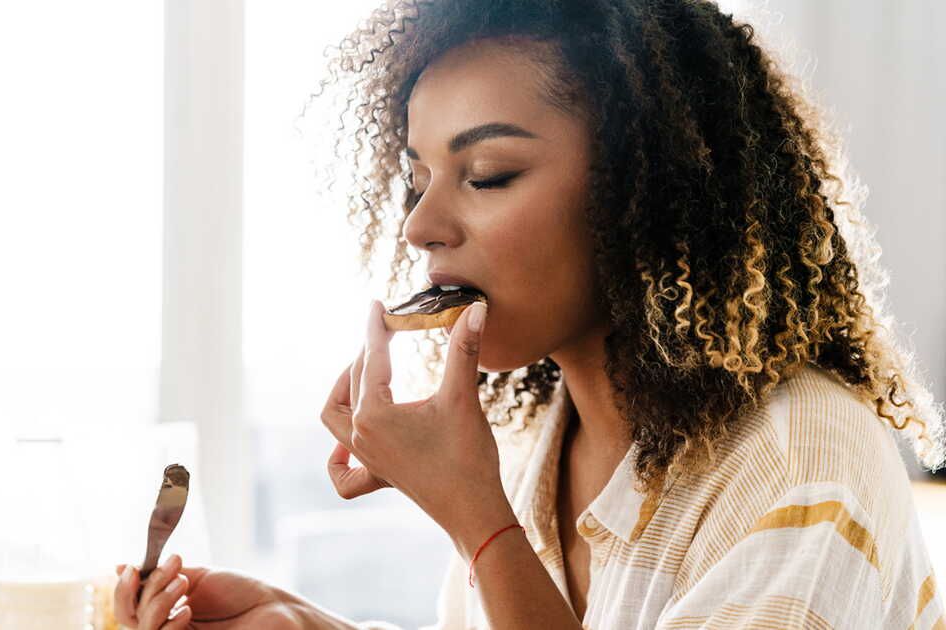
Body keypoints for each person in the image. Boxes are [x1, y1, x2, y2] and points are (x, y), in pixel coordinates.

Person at [113, 0, 946, 627]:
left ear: (643, 192)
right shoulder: (534, 452)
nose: (421, 226)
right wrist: (302, 626)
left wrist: (479, 525)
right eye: (416, 178)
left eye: (487, 174)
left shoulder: (800, 466)